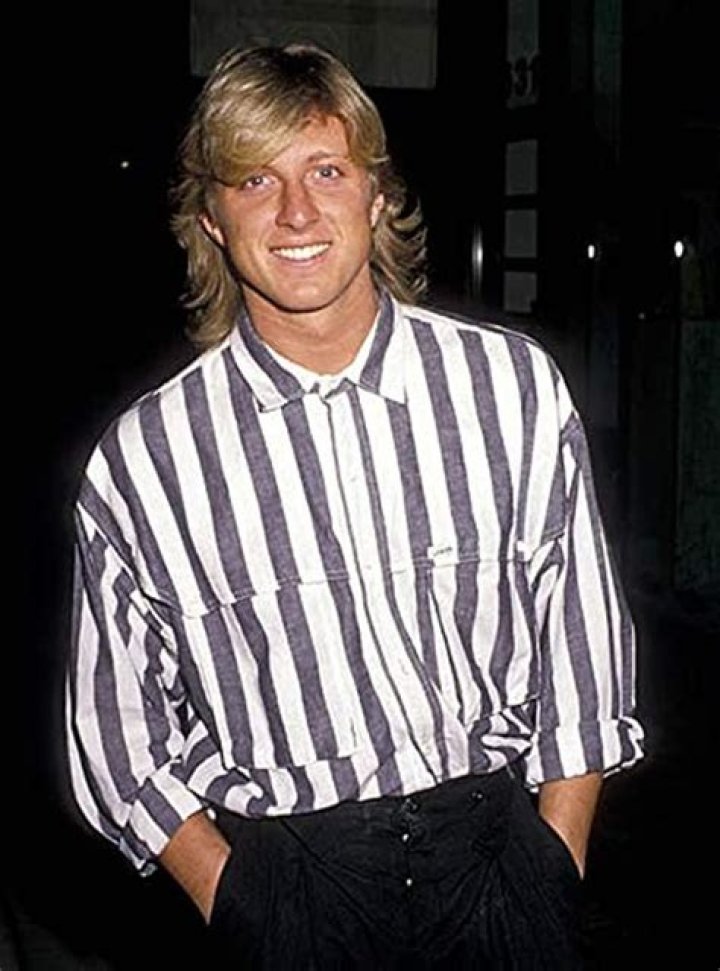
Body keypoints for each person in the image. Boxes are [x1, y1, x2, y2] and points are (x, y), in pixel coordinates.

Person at [65, 42, 644, 969]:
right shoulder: (147, 458)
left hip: (499, 865)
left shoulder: (510, 390)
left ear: (376, 195)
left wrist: (551, 867)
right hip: (291, 884)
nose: (296, 212)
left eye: (327, 171)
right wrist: (240, 899)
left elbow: (582, 651)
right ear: (210, 217)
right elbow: (117, 732)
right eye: (255, 179)